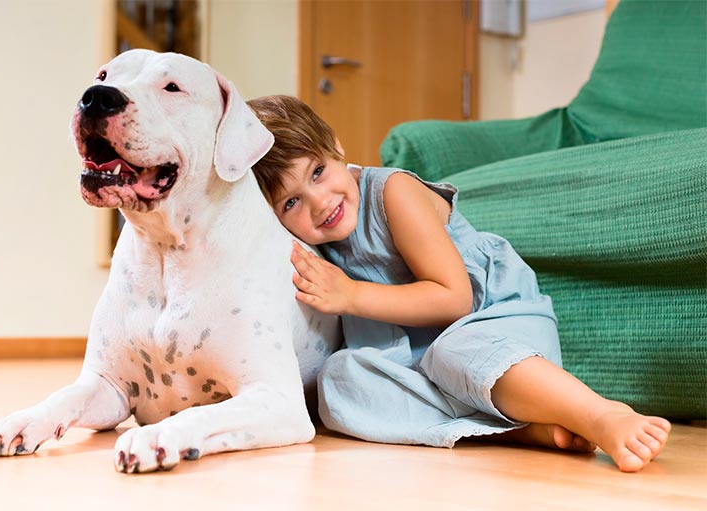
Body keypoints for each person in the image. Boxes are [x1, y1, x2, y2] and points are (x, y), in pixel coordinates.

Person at [246, 95, 670, 473]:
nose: (320, 203)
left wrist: (352, 294)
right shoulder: (314, 243)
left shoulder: (392, 192)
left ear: (336, 147)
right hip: (422, 359)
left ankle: (599, 414)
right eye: (291, 202)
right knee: (340, 380)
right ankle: (514, 432)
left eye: (318, 172)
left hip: (496, 327)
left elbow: (454, 299)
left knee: (453, 350)